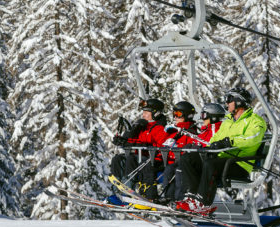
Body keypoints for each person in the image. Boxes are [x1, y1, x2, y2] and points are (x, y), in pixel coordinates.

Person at [175, 87, 267, 215]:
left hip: (239, 164)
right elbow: (216, 138)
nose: (227, 103)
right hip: (222, 160)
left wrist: (230, 141)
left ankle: (202, 203)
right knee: (188, 158)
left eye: (229, 100)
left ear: (239, 102)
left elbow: (252, 138)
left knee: (210, 164)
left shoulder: (255, 121)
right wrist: (209, 147)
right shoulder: (228, 121)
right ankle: (190, 198)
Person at [160, 101, 222, 202]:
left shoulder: (210, 130)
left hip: (200, 162)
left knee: (179, 170)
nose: (202, 118)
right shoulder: (204, 130)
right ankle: (169, 198)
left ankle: (180, 200)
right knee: (170, 169)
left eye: (204, 115)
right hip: (185, 160)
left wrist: (188, 146)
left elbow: (207, 144)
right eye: (174, 114)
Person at [111, 98, 169, 199]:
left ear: (156, 113)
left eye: (146, 112)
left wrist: (135, 144)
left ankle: (127, 191)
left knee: (131, 159)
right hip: (141, 157)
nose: (143, 115)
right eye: (143, 112)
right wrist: (125, 137)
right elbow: (131, 139)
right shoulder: (143, 126)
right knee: (118, 159)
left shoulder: (161, 128)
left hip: (154, 160)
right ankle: (118, 191)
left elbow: (159, 145)